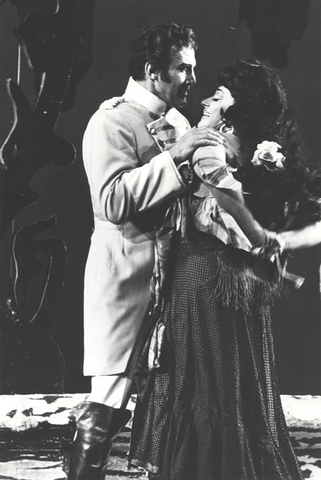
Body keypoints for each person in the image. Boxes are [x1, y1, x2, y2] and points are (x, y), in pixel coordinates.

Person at [128, 59, 321, 479]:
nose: (207, 98)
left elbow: (237, 198)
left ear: (238, 109)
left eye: (219, 95)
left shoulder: (231, 149)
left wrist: (273, 239)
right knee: (216, 380)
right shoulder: (212, 146)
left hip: (218, 282)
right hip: (215, 279)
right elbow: (226, 198)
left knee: (224, 382)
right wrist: (265, 239)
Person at [67, 23, 224, 480]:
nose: (193, 79)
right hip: (125, 273)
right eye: (184, 68)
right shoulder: (110, 120)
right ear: (154, 71)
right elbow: (112, 201)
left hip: (174, 276)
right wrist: (177, 155)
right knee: (108, 402)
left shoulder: (177, 120)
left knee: (164, 399)